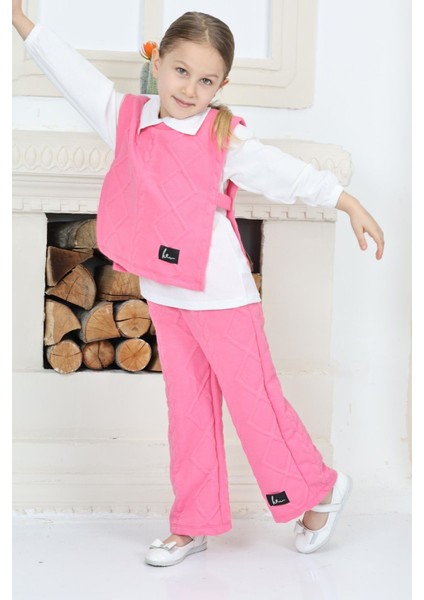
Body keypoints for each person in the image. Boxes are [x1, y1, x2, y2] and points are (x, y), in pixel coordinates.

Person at [12, 2, 385, 568]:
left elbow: (283, 172)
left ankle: (320, 490)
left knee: (256, 406)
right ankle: (193, 522)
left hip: (224, 298)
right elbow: (75, 76)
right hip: (166, 294)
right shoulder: (127, 119)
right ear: (158, 63)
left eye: (206, 80)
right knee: (187, 414)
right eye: (181, 71)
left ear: (222, 85)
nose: (190, 88)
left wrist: (346, 201)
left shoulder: (222, 137)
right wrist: (22, 23)